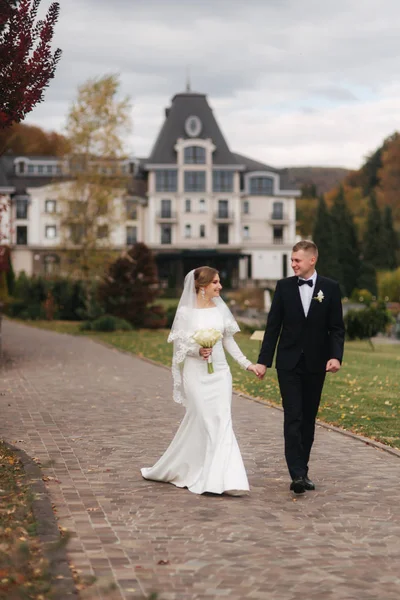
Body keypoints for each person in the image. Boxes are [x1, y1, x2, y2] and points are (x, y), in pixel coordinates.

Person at [141, 266, 260, 496]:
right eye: (215, 283)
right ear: (202, 287)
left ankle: (225, 479)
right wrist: (198, 351)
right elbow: (180, 348)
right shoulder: (186, 312)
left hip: (220, 374)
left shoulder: (220, 309)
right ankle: (185, 468)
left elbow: (229, 342)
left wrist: (248, 364)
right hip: (196, 374)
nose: (220, 286)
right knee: (204, 420)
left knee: (222, 421)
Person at [255, 241, 345, 494]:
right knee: (293, 416)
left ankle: (302, 469)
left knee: (308, 418)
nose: (293, 264)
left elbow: (336, 328)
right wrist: (264, 361)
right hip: (288, 363)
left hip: (317, 364)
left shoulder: (330, 288)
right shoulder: (283, 287)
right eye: (292, 260)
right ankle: (297, 474)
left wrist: (335, 356)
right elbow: (273, 327)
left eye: (297, 260)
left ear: (312, 260)